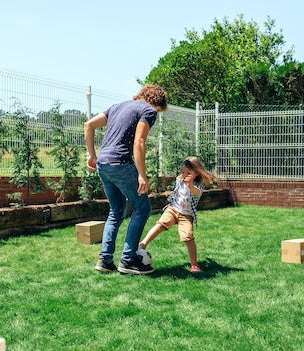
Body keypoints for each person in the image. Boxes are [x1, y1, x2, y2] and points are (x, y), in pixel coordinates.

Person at [84, 84, 168, 275]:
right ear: (158, 103)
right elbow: (139, 142)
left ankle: (105, 259)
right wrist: (142, 174)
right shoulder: (148, 110)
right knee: (142, 207)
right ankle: (128, 260)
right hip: (121, 163)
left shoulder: (116, 107)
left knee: (117, 211)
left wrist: (92, 156)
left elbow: (88, 125)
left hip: (104, 165)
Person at [138, 156, 216, 273]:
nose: (185, 174)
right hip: (173, 209)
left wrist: (190, 184)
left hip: (186, 215)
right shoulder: (180, 179)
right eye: (183, 172)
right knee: (161, 224)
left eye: (188, 172)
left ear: (197, 173)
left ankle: (194, 264)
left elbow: (196, 192)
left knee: (188, 237)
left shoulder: (198, 186)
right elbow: (182, 175)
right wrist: (187, 166)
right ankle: (143, 244)